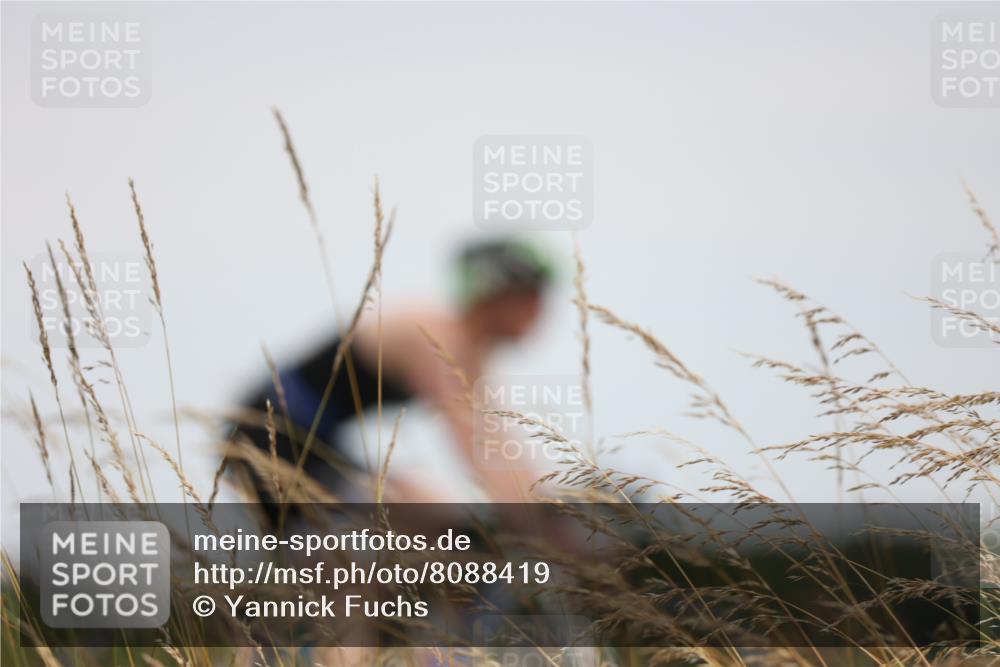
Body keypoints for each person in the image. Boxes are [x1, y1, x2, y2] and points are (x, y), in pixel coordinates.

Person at [229, 237, 554, 519]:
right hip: (265, 436)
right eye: (530, 297)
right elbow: (470, 440)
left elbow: (499, 442)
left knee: (439, 520)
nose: (541, 311)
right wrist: (533, 522)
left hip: (320, 444)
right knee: (368, 555)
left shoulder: (472, 357)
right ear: (494, 296)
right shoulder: (434, 335)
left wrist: (546, 507)